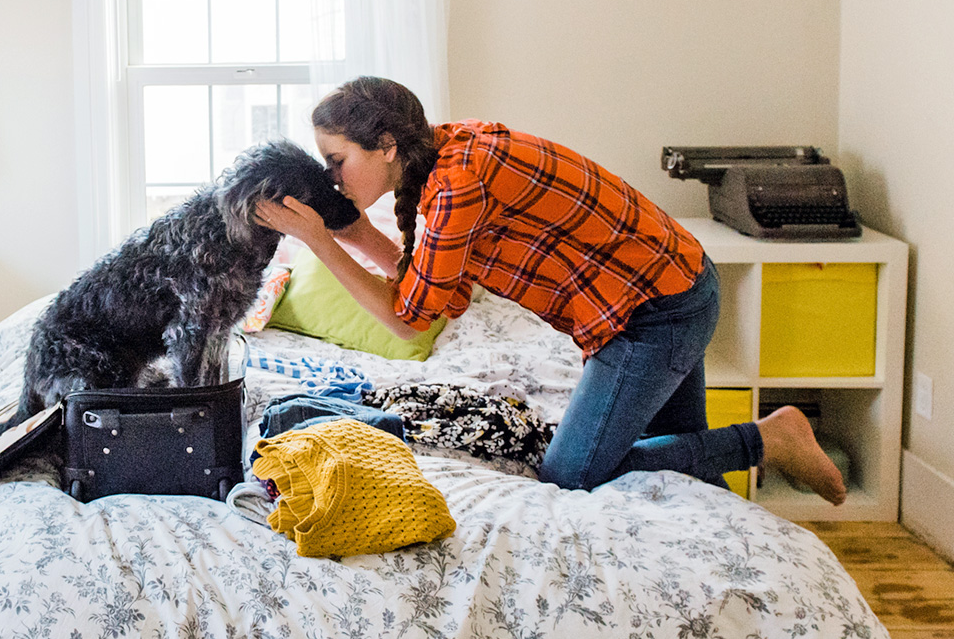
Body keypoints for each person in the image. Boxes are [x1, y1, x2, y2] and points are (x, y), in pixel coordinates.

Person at [255, 76, 846, 505]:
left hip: (654, 310)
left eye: (337, 160)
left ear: (386, 145)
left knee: (573, 475)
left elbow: (408, 319)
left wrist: (319, 241)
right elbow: (431, 290)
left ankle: (771, 439)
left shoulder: (457, 184)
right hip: (671, 285)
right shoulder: (450, 151)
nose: (332, 176)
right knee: (684, 458)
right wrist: (354, 233)